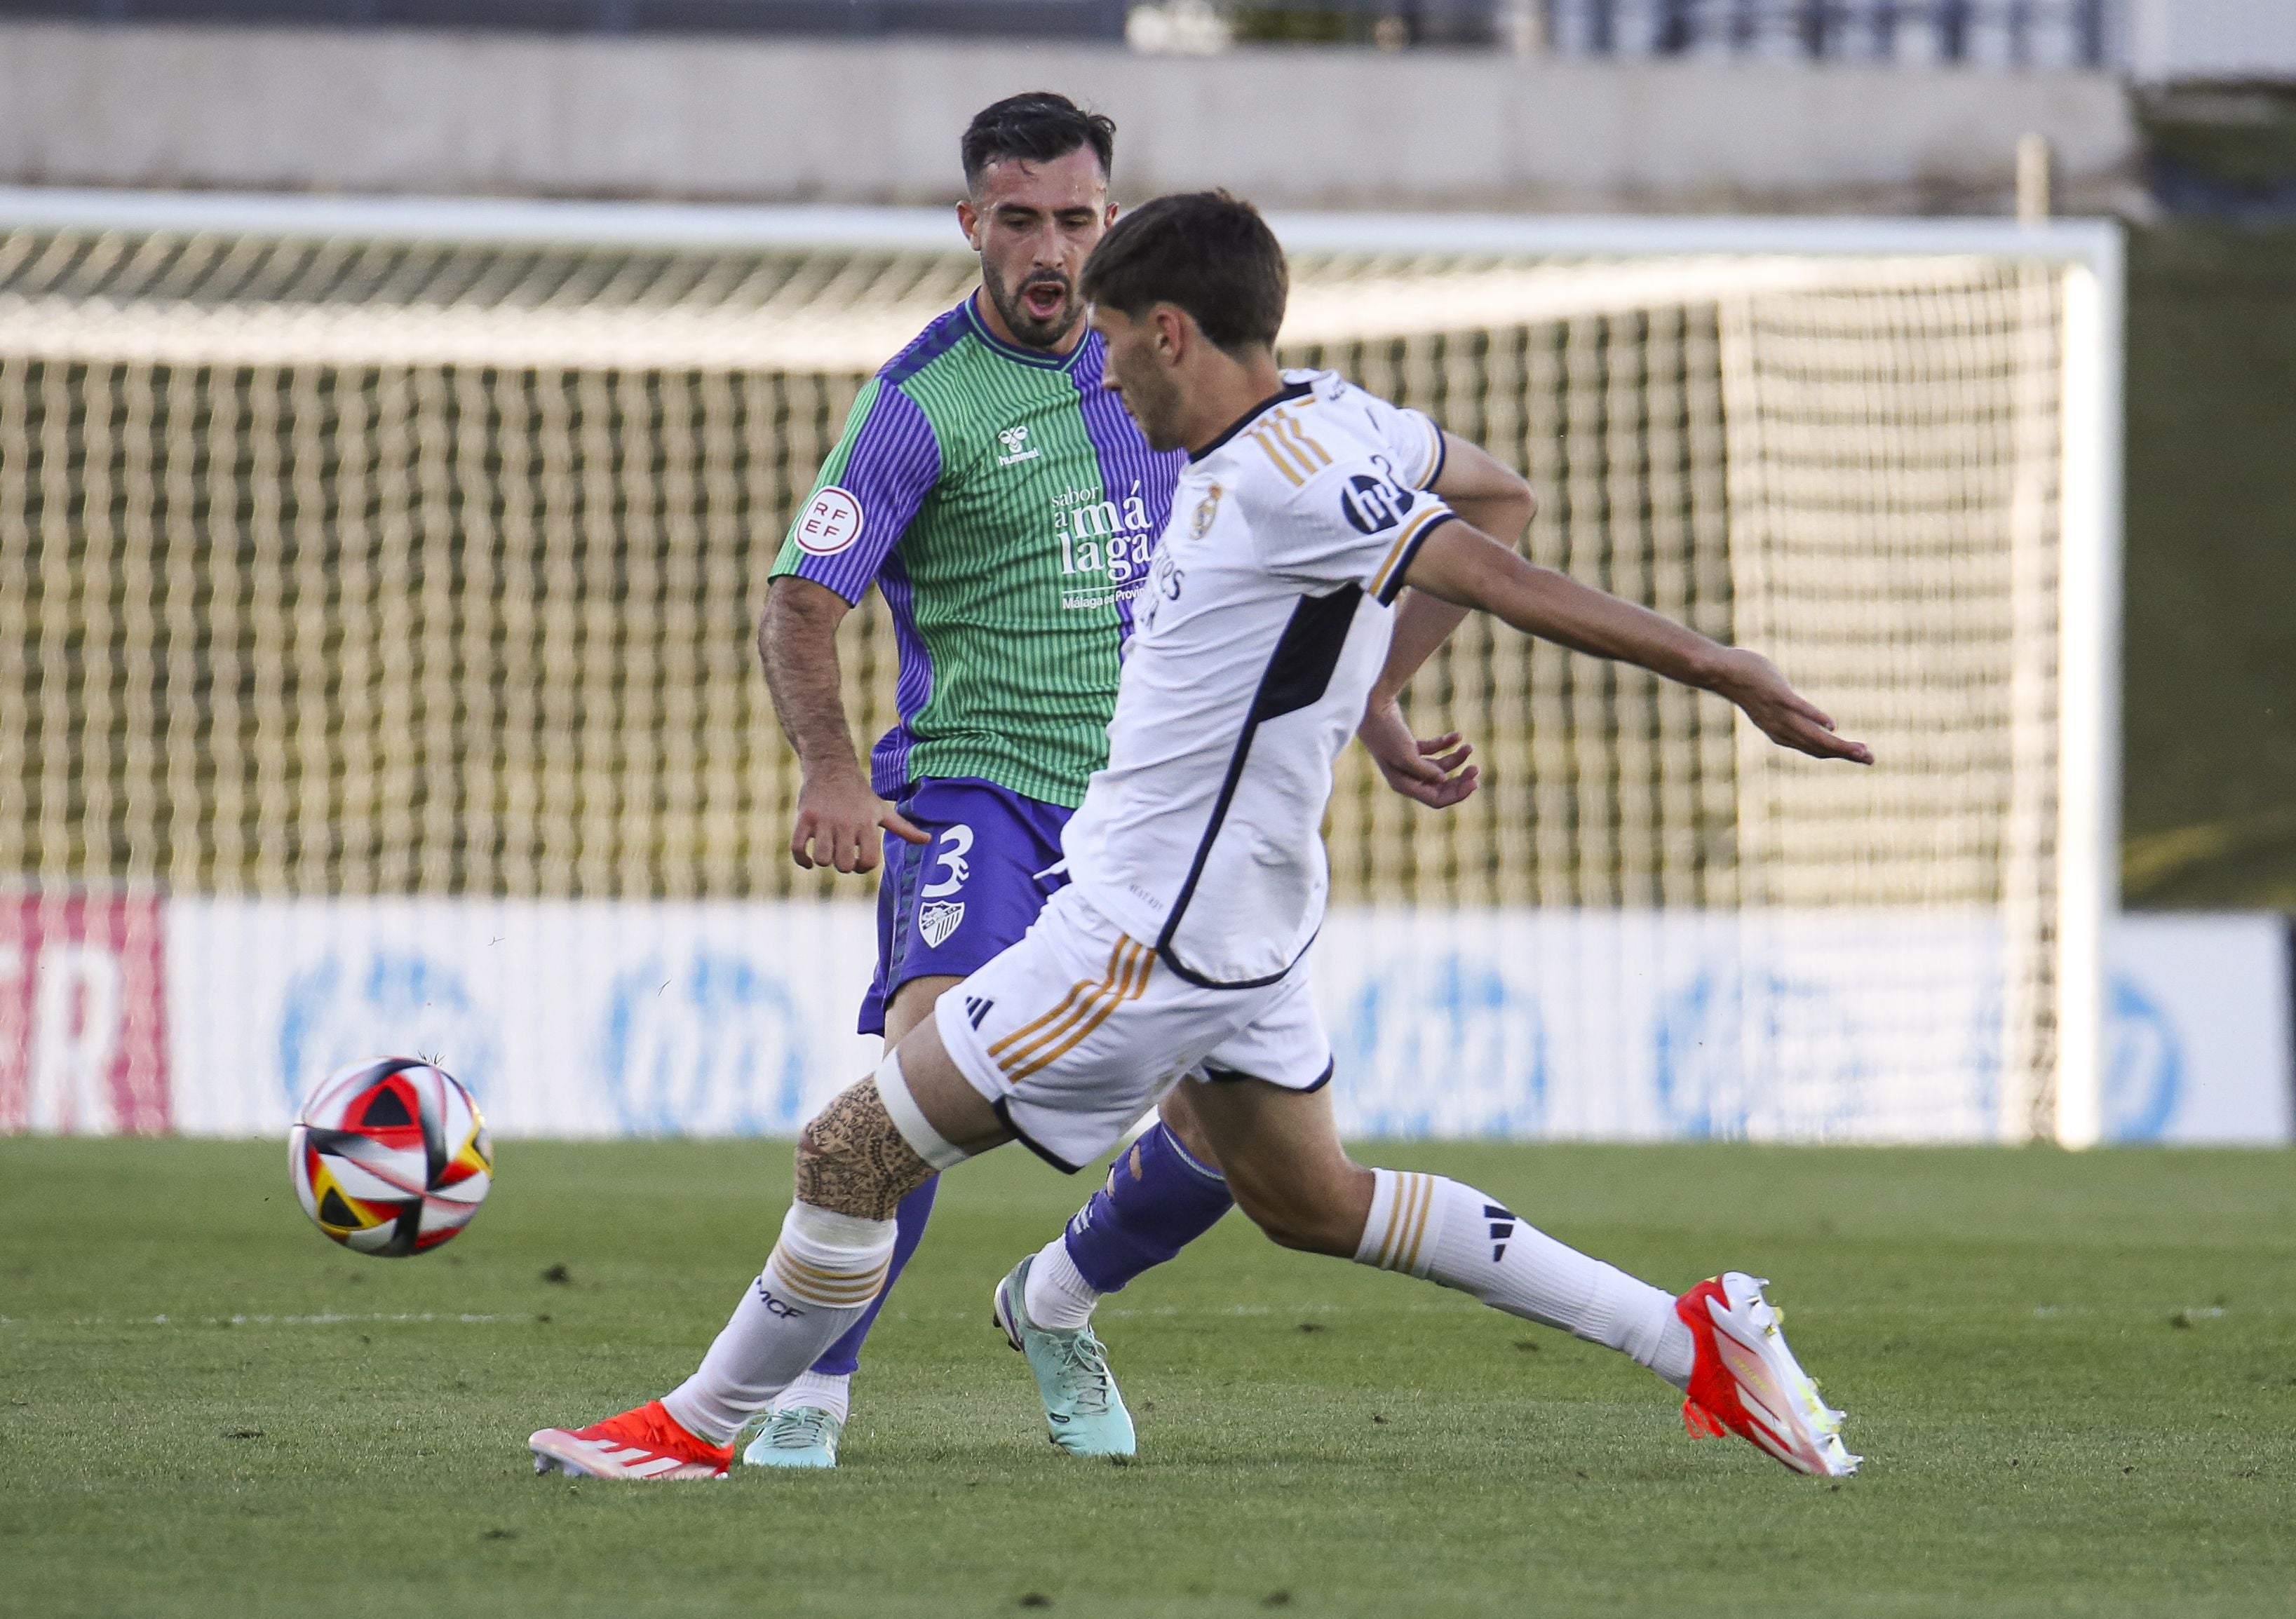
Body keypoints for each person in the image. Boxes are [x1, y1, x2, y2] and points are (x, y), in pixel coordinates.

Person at [530, 191, 1870, 1485]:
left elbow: (1496, 566)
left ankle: (700, 1426)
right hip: (1252, 925)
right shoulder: (1342, 415)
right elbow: (1500, 492)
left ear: (1170, 330)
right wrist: (1373, 691)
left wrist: (1725, 668)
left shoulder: (1287, 478)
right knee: (1316, 1203)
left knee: (850, 1149)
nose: (1103, 379)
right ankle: (1690, 1336)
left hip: (1142, 937)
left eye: (1114, 343)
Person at [744, 94, 1515, 1469]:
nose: (1050, 248)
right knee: (920, 1077)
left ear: (1113, 219)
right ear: (972, 224)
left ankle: (1059, 1303)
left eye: (1076, 218)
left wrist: (1377, 702)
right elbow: (805, 600)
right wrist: (829, 772)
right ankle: (811, 1388)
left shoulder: (1166, 365)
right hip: (978, 790)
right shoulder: (920, 401)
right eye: (1021, 219)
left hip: (1165, 819)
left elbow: (1339, 555)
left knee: (1233, 1142)